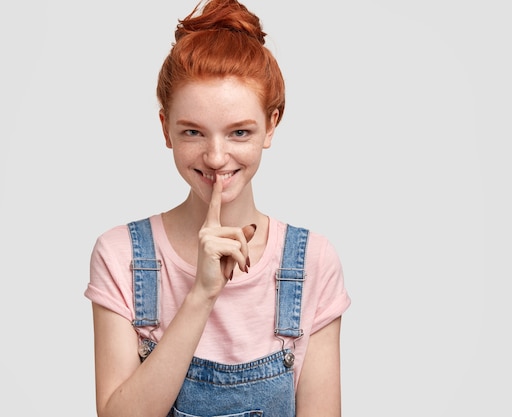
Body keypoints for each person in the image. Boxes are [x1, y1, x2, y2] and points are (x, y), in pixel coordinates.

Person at [84, 0, 351, 415]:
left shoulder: (313, 261)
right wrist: (202, 294)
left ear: (271, 125)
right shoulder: (121, 256)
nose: (215, 156)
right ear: (165, 129)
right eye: (193, 131)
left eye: (239, 132)